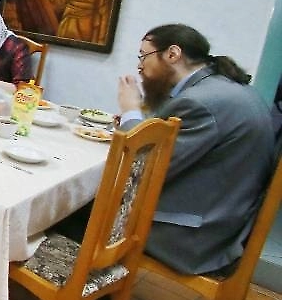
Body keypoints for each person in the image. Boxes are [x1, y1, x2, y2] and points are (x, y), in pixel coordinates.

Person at [114, 24, 276, 275]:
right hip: (221, 217)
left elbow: (142, 167)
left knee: (85, 209)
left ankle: (86, 293)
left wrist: (131, 110)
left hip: (195, 236)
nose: (139, 66)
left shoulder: (199, 103)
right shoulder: (219, 87)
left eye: (143, 56)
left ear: (172, 54)